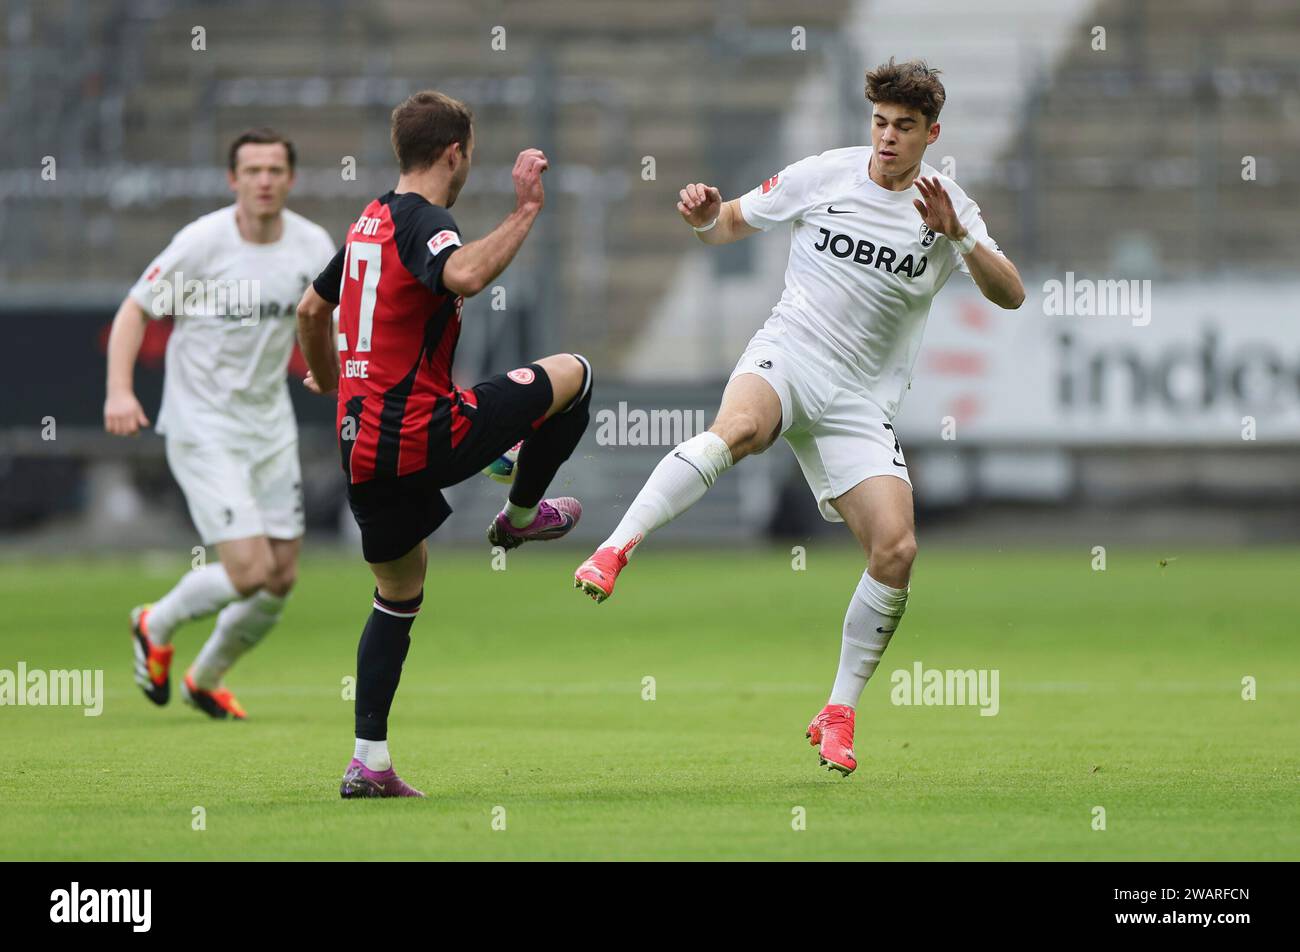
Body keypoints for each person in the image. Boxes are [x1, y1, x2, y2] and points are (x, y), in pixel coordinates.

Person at [574, 60, 1025, 777]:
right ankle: (616, 549)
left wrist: (960, 239)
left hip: (861, 404)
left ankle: (839, 710)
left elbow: (1012, 295)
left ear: (930, 134)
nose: (887, 138)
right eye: (879, 122)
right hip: (792, 353)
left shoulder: (949, 209)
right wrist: (701, 219)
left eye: (904, 127)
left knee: (897, 550)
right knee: (740, 433)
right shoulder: (824, 174)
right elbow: (726, 224)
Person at [295, 91, 592, 798]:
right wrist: (525, 210)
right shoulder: (427, 222)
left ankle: (368, 760)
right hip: (423, 434)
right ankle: (520, 517)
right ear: (454, 153)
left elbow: (311, 308)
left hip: (362, 446)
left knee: (397, 594)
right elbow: (464, 274)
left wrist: (333, 381)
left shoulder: (369, 220)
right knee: (575, 377)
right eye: (470, 155)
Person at [105, 128, 335, 720]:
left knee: (281, 578)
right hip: (203, 425)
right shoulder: (202, 244)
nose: (264, 180)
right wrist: (120, 391)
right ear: (233, 180)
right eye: (252, 170)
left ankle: (204, 680)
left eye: (275, 170)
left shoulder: (312, 246)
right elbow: (136, 309)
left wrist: (326, 367)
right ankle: (156, 621)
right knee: (249, 570)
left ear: (291, 179)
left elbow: (327, 318)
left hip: (269, 425)